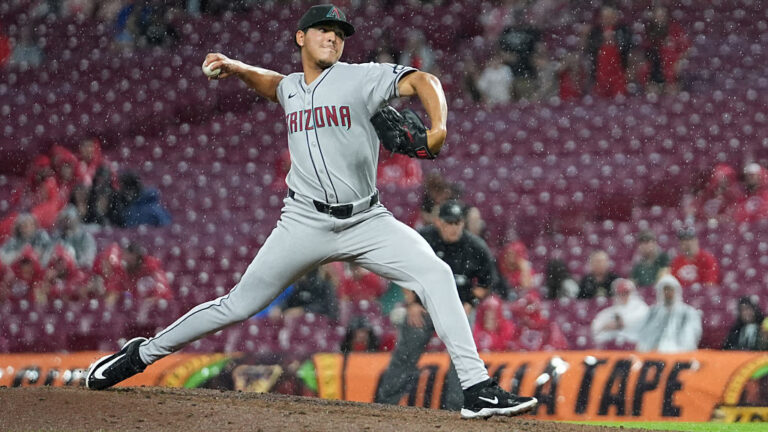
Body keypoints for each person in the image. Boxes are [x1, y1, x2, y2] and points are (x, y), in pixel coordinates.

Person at [84, 5, 536, 419]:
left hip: (366, 220)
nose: (333, 38)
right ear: (301, 38)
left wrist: (437, 126)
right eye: (323, 30)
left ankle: (477, 389)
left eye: (339, 33)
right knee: (238, 305)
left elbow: (423, 81)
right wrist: (238, 67)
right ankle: (140, 355)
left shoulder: (361, 77)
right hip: (303, 221)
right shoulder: (292, 88)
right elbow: (273, 85)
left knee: (435, 274)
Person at [375, 200, 500, 411]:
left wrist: (470, 303)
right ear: (438, 222)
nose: (454, 227)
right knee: (405, 354)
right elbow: (401, 270)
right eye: (449, 222)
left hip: (458, 308)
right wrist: (411, 304)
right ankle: (385, 405)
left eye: (458, 222)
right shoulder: (423, 239)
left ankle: (457, 409)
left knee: (461, 360)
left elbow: (487, 283)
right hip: (424, 306)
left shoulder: (475, 246)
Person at [636, 275, 702, 353]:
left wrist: (668, 348)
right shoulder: (653, 312)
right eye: (665, 290)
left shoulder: (687, 312)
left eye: (670, 290)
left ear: (676, 291)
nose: (667, 293)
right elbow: (644, 335)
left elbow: (690, 338)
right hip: (652, 354)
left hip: (678, 355)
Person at [585, 5, 632, 98]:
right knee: (601, 100)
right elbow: (590, 48)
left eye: (610, 17)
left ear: (615, 17)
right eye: (605, 17)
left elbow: (627, 47)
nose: (607, 19)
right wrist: (602, 39)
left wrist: (615, 40)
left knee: (620, 98)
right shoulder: (595, 31)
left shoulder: (623, 30)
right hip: (600, 73)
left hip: (619, 73)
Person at [590, 279, 649, 348]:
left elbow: (639, 320)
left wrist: (618, 324)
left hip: (633, 345)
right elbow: (596, 326)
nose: (623, 295)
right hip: (613, 347)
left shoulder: (640, 306)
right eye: (620, 293)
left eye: (626, 292)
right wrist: (605, 326)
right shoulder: (614, 308)